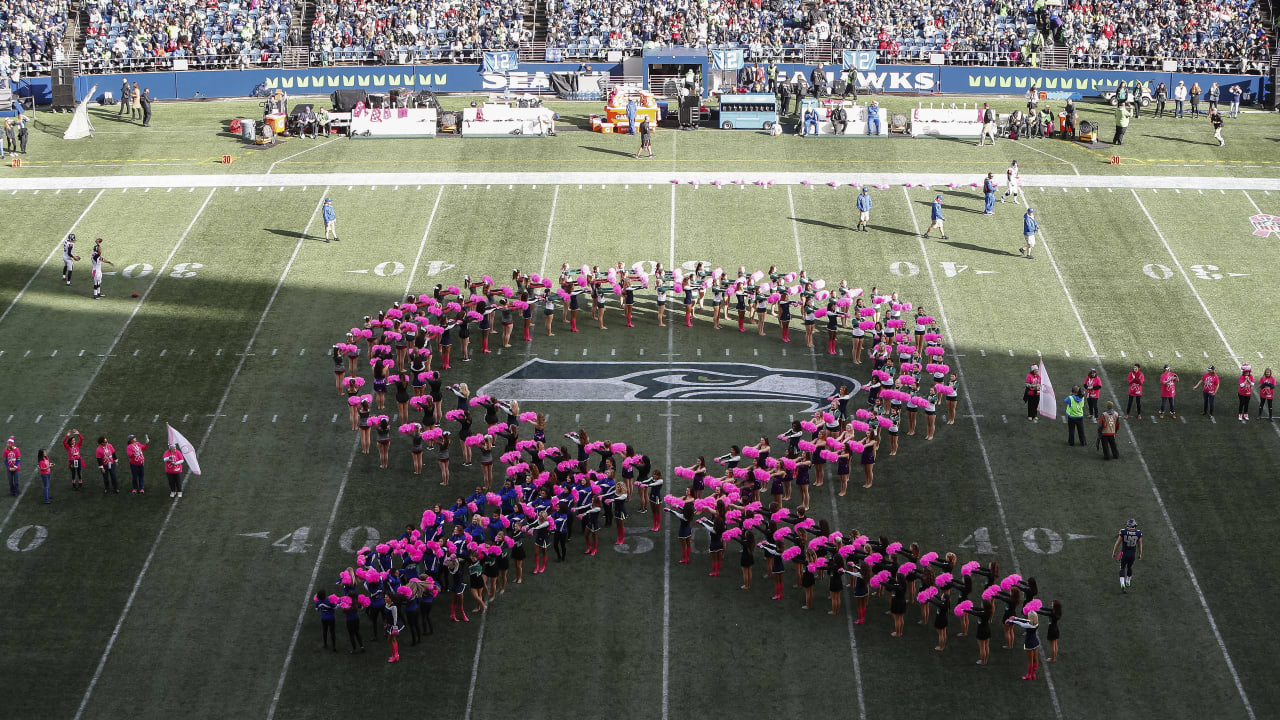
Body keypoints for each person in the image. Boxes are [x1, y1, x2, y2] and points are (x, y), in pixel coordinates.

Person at [1111, 518, 1142, 591]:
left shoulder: (1123, 532)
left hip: (1124, 554)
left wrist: (1114, 552)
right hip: (1132, 555)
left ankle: (1122, 583)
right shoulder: (1138, 533)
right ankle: (1128, 581)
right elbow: (1140, 545)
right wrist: (1140, 554)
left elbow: (1117, 543)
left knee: (1122, 568)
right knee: (1129, 567)